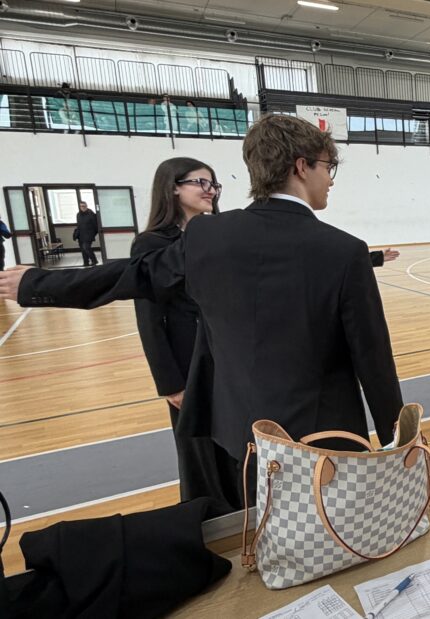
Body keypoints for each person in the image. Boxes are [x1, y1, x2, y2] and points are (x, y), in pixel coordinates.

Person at [0, 115, 404, 509]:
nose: (330, 179)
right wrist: (398, 438)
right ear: (302, 166)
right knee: (326, 529)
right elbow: (372, 357)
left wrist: (36, 284)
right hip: (323, 436)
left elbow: (131, 276)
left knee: (257, 524)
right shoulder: (343, 250)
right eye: (328, 167)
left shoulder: (208, 235)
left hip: (240, 431)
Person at [131, 157, 236, 512]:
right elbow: (149, 320)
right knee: (200, 452)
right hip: (188, 364)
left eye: (214, 184)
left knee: (237, 444)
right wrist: (171, 384)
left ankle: (245, 514)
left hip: (228, 357)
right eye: (200, 183)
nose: (211, 191)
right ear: (173, 188)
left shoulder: (219, 234)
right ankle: (210, 519)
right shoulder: (150, 244)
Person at [74, 201, 99, 266]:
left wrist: (93, 234)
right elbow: (78, 225)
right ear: (80, 207)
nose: (83, 207)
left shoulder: (91, 214)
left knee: (86, 247)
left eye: (84, 206)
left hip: (89, 235)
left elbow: (95, 225)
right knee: (83, 249)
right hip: (81, 235)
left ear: (86, 206)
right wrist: (76, 234)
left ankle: (94, 260)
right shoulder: (78, 215)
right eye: (81, 206)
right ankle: (86, 262)